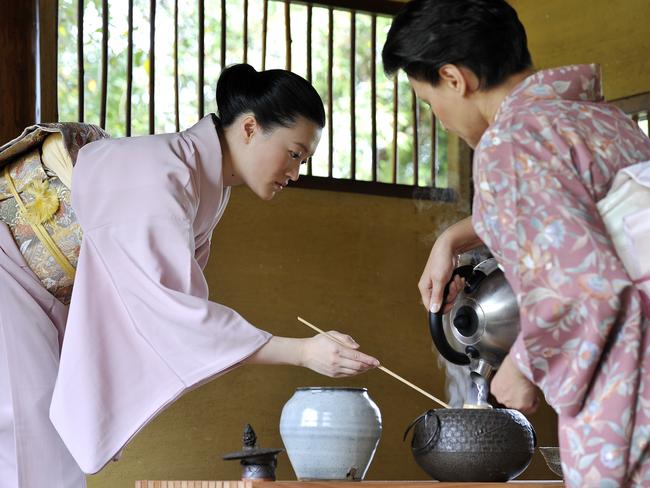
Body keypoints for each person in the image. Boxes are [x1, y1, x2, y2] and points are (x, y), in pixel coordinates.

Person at [1, 63, 379, 487]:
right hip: (10, 277)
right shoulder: (164, 170)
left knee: (46, 446)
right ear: (251, 128)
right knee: (24, 427)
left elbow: (177, 313)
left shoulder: (204, 187)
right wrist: (303, 352)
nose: (295, 173)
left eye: (303, 160)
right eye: (294, 154)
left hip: (45, 293)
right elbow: (172, 315)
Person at [382, 0, 650, 486]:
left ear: (454, 79)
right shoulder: (604, 124)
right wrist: (452, 237)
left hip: (634, 376)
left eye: (430, 103)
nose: (440, 120)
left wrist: (524, 366)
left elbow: (585, 285)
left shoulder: (511, 142)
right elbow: (573, 214)